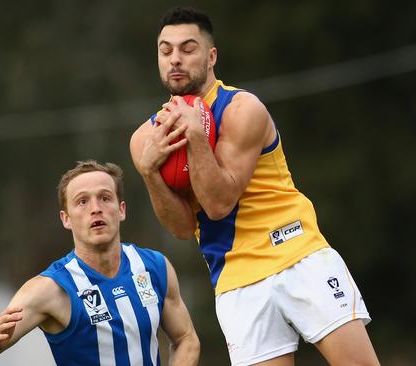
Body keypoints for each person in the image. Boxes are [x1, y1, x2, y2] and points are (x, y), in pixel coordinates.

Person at [130, 6, 380, 366]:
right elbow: (183, 227)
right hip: (236, 279)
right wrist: (150, 173)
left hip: (297, 253)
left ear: (211, 55)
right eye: (165, 50)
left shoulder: (242, 109)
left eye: (188, 48)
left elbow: (219, 204)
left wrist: (197, 136)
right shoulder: (145, 139)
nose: (175, 60)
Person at [0, 160, 200, 366]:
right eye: (82, 202)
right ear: (66, 219)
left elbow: (186, 338)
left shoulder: (154, 267)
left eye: (105, 198)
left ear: (121, 210)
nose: (96, 209)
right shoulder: (50, 289)